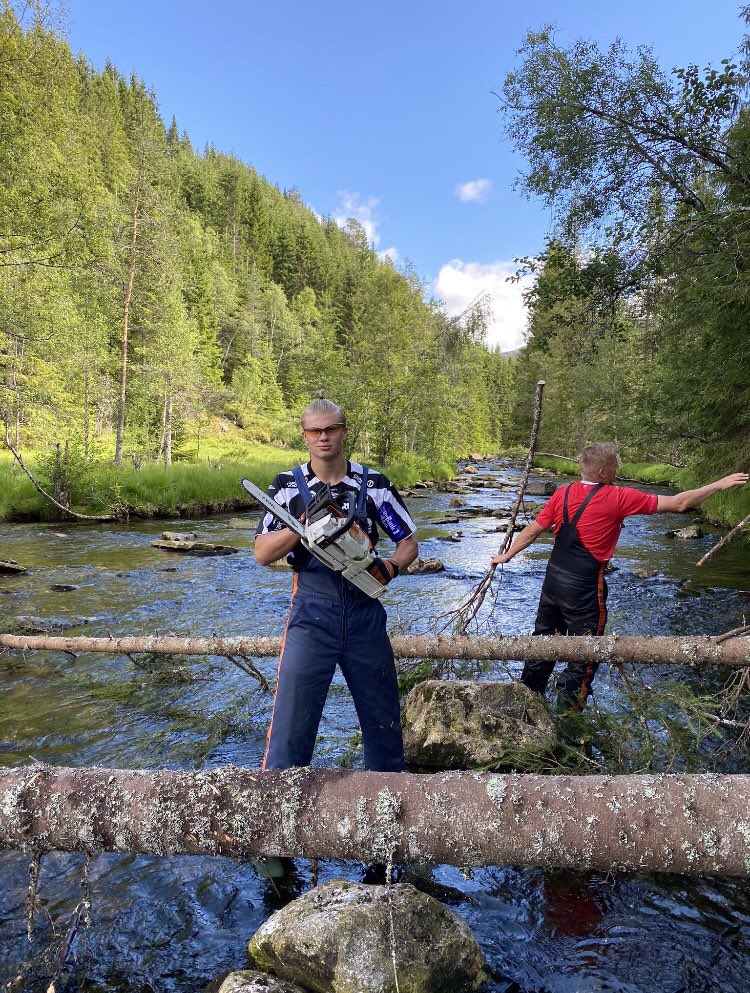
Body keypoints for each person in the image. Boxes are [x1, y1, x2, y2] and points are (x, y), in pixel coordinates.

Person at [491, 443, 749, 711]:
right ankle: (569, 718)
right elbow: (680, 502)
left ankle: (525, 705)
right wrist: (719, 484)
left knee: (542, 642)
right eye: (616, 465)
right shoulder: (618, 497)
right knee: (586, 653)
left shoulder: (563, 493)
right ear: (603, 472)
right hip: (584, 588)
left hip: (552, 583)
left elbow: (533, 530)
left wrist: (506, 555)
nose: (618, 468)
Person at [254, 393, 419, 772]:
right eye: (315, 431)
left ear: (344, 432)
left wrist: (391, 568)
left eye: (331, 429)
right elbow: (262, 553)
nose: (323, 437)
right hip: (312, 613)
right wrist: (302, 528)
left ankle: (386, 798)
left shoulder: (373, 484)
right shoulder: (285, 488)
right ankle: (280, 802)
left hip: (365, 612)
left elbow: (407, 543)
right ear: (305, 436)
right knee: (291, 724)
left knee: (383, 720)